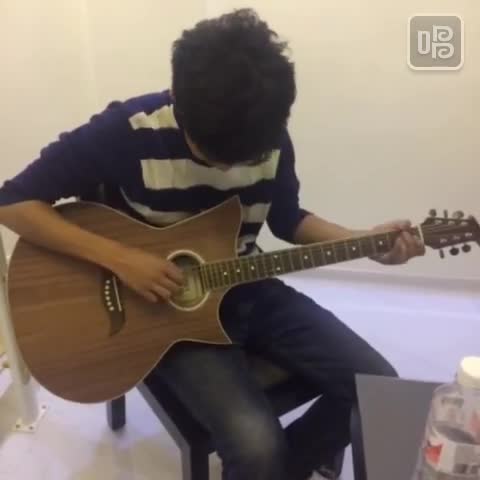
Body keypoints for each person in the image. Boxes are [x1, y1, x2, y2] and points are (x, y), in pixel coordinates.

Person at [0, 9, 425, 480]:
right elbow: (13, 203)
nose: (229, 170)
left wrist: (364, 242)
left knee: (380, 387)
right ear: (178, 99)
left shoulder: (266, 133)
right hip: (159, 310)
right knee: (255, 445)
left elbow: (286, 218)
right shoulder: (126, 131)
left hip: (247, 285)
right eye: (213, 155)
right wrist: (121, 259)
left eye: (245, 158)